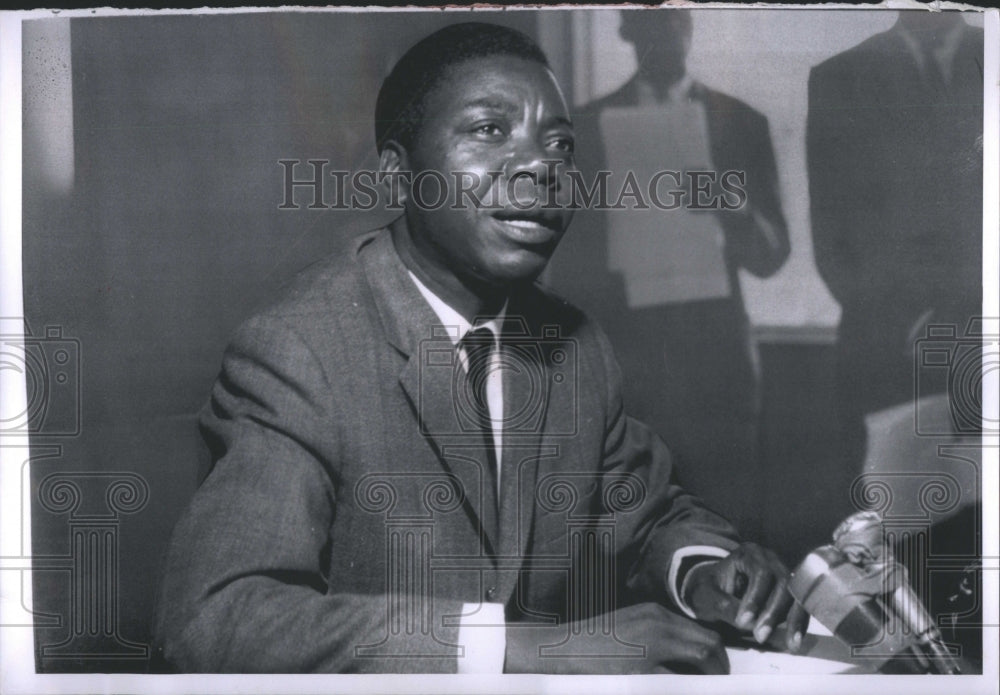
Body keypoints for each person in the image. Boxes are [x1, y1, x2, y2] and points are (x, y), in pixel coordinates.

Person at [154, 22, 806, 674]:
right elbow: (214, 615)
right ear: (398, 176)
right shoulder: (299, 352)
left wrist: (706, 572)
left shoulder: (572, 347)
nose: (541, 167)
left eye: (560, 144)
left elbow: (647, 516)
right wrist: (520, 646)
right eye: (490, 131)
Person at [547, 9, 789, 537]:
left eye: (675, 19)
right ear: (626, 30)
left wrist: (728, 201)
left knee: (729, 519)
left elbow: (773, 257)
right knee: (633, 522)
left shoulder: (740, 122)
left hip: (717, 360)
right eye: (650, 21)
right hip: (632, 358)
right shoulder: (584, 130)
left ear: (691, 27)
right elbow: (561, 260)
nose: (666, 34)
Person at [807, 10, 983, 517]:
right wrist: (903, 319)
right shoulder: (841, 76)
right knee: (887, 537)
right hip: (884, 351)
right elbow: (833, 236)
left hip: (985, 343)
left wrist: (959, 316)